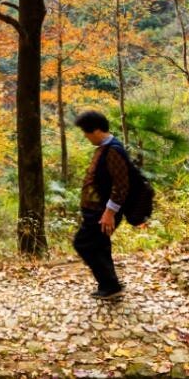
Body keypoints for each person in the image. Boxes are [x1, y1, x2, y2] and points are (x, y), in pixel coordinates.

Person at [72, 110, 130, 301]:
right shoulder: (105, 148)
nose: (86, 137)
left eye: (86, 133)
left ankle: (110, 285)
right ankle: (110, 284)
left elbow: (121, 185)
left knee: (83, 243)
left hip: (101, 211)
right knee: (100, 246)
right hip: (96, 210)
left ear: (96, 130)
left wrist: (109, 213)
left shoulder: (113, 150)